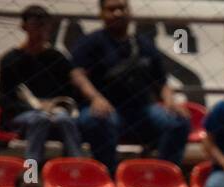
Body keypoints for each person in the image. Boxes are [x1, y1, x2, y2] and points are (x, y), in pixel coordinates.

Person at [70, 0, 191, 172]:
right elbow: (77, 75)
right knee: (95, 119)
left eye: (122, 8)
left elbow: (161, 81)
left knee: (179, 121)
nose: (118, 13)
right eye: (111, 9)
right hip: (108, 110)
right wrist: (96, 98)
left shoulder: (143, 44)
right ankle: (108, 177)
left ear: (130, 12)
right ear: (102, 14)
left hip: (141, 111)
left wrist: (170, 101)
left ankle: (164, 175)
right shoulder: (90, 42)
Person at [0, 5, 82, 165]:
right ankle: (31, 175)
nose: (41, 30)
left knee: (65, 120)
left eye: (45, 25)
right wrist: (36, 106)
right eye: (36, 24)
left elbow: (69, 93)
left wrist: (56, 105)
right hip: (21, 114)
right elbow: (6, 99)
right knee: (40, 119)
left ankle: (75, 169)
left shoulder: (57, 58)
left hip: (55, 111)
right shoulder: (10, 60)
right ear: (24, 27)